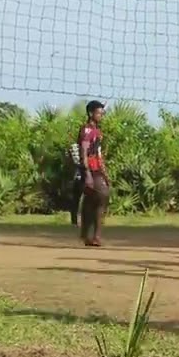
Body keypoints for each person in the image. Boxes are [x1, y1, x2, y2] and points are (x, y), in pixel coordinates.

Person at [77, 100, 109, 247]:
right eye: (98, 113)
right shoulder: (87, 130)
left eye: (102, 113)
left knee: (93, 202)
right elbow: (84, 152)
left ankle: (90, 236)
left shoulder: (98, 131)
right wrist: (87, 173)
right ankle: (93, 235)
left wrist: (105, 172)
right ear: (91, 113)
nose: (101, 115)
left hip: (97, 169)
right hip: (89, 169)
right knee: (102, 195)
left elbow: (99, 154)